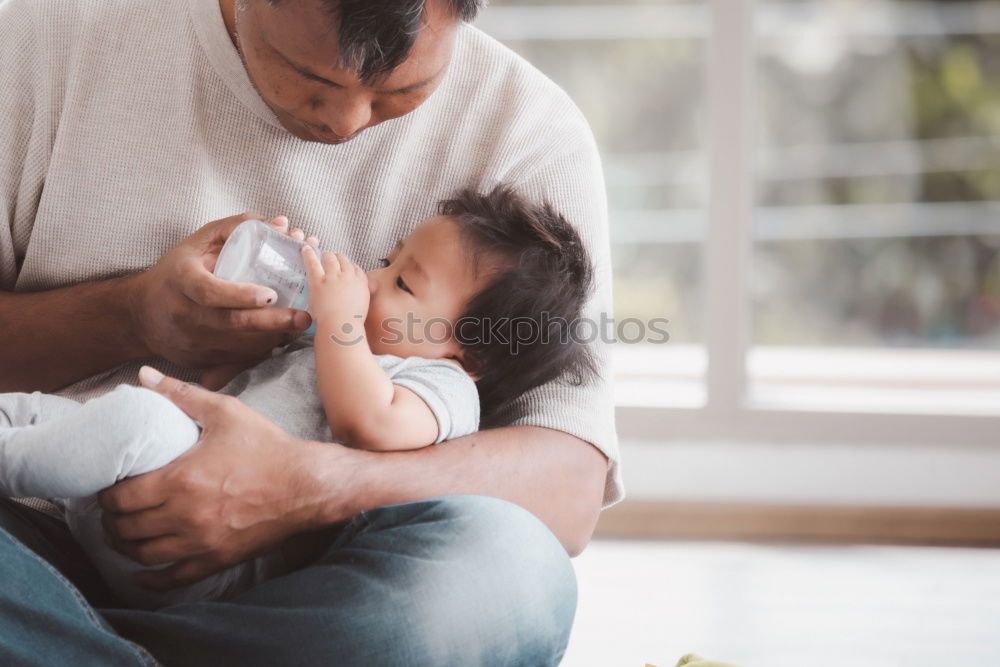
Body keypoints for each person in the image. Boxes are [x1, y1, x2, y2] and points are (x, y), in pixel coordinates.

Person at [0, 0, 622, 663]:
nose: (346, 121)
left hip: (303, 580)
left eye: (401, 91)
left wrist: (302, 487)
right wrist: (136, 316)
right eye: (311, 77)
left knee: (507, 572)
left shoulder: (525, 133)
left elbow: (568, 487)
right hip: (38, 522)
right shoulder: (43, 42)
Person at [0, 186, 598, 610]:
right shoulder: (331, 352)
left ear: (471, 355)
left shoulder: (442, 389)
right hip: (131, 488)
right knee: (49, 411)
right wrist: (240, 348)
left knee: (134, 415)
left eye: (403, 283)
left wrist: (338, 319)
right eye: (388, 262)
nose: (369, 277)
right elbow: (224, 400)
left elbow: (370, 425)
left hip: (203, 561)